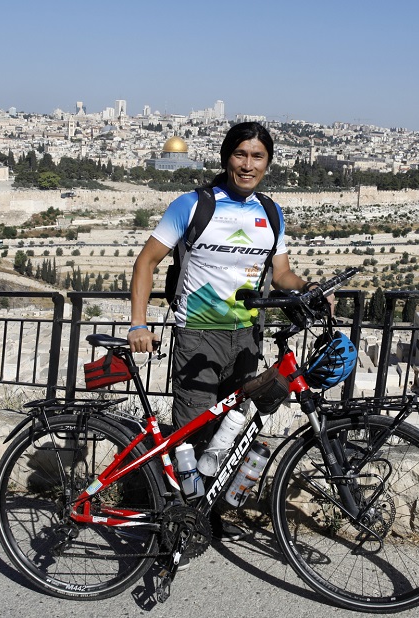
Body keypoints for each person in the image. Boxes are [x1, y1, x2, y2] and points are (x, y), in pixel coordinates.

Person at [128, 122, 313, 540]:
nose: (248, 165)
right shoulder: (193, 205)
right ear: (227, 157)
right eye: (241, 155)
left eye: (257, 156)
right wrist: (139, 323)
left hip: (248, 335)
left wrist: (309, 288)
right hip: (197, 333)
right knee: (191, 432)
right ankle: (179, 521)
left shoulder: (271, 212)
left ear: (268, 163)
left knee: (236, 428)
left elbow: (281, 273)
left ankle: (206, 514)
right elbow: (146, 263)